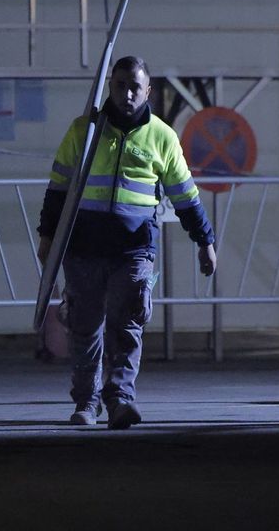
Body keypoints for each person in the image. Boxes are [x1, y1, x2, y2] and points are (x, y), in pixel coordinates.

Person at [37, 56, 217, 429]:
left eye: (135, 86)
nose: (128, 93)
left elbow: (185, 195)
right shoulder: (83, 131)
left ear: (148, 91)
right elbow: (57, 191)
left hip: (134, 250)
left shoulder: (162, 137)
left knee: (128, 325)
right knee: (85, 328)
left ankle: (120, 399)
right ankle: (86, 403)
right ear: (110, 87)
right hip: (83, 246)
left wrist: (205, 241)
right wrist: (48, 239)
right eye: (120, 85)